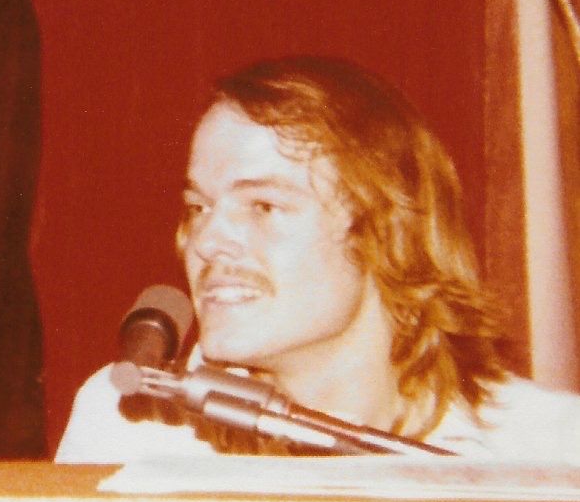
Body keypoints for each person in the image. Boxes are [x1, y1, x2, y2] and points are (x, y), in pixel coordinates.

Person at [57, 55, 580, 463]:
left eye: (264, 206)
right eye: (199, 207)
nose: (205, 241)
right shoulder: (130, 427)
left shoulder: (549, 448)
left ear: (385, 231)